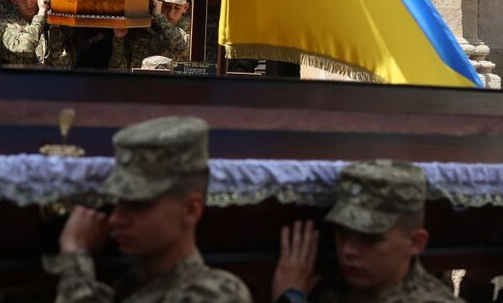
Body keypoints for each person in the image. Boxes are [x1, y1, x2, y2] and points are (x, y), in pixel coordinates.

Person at [43, 116, 252, 302]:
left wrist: (75, 263)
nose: (116, 219)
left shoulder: (216, 293)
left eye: (138, 205)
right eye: (117, 203)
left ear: (190, 210)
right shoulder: (131, 285)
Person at [272, 160, 463, 303]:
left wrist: (289, 298)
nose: (347, 250)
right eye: (342, 233)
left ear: (416, 242)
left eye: (369, 239)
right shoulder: (330, 288)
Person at [0, 0, 75, 67]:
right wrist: (41, 13)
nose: (28, 3)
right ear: (14, 0)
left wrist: (55, 29)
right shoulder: (7, 23)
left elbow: (64, 65)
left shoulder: (52, 18)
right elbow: (26, 47)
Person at [109, 0, 190, 70]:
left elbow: (182, 44)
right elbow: (116, 70)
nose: (171, 13)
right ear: (156, 2)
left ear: (185, 8)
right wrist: (119, 39)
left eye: (177, 8)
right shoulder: (140, 26)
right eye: (166, 6)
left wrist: (160, 17)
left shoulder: (190, 28)